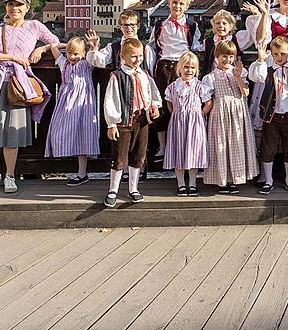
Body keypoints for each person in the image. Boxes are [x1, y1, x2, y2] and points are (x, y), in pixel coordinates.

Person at [0, 0, 59, 194]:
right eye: (10, 4)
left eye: (19, 5)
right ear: (6, 7)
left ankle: (10, 175)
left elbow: (56, 41)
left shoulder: (34, 26)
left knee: (12, 133)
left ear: (27, 8)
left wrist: (41, 49)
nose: (14, 8)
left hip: (19, 87)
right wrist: (14, 57)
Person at [102, 38, 162, 208]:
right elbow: (111, 100)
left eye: (140, 56)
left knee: (139, 155)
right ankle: (113, 190)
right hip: (123, 121)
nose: (138, 60)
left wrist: (155, 106)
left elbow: (152, 94)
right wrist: (112, 123)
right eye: (133, 56)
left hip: (141, 120)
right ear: (123, 56)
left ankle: (133, 188)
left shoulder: (144, 75)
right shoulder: (117, 76)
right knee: (119, 156)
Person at [248, 35, 288, 194]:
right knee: (268, 148)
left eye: (282, 53)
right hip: (272, 116)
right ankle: (268, 180)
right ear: (271, 53)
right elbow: (256, 76)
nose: (279, 57)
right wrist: (261, 60)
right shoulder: (267, 69)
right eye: (275, 54)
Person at [149, 0, 203, 156]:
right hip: (164, 67)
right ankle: (163, 146)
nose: (177, 6)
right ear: (169, 4)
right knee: (163, 106)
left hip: (183, 69)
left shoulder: (192, 26)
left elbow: (196, 47)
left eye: (181, 4)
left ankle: (183, 145)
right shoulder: (160, 25)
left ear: (186, 7)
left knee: (183, 107)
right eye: (174, 2)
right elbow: (151, 47)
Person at [202, 40, 258, 193]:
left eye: (230, 57)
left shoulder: (239, 72)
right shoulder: (210, 77)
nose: (227, 60)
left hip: (238, 113)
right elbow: (207, 100)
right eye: (224, 57)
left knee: (236, 144)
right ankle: (222, 180)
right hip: (220, 113)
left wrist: (239, 77)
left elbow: (245, 93)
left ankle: (235, 179)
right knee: (221, 145)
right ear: (217, 57)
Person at [45, 36, 100, 185]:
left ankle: (82, 173)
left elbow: (94, 55)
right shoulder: (64, 63)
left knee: (83, 135)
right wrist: (68, 45)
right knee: (58, 132)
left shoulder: (87, 64)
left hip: (83, 105)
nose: (72, 57)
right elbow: (52, 45)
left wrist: (91, 46)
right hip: (66, 105)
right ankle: (63, 157)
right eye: (69, 53)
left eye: (76, 54)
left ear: (83, 54)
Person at [164, 51, 212, 196]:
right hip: (178, 123)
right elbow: (169, 103)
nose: (189, 70)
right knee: (178, 151)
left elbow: (208, 103)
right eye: (186, 67)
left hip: (195, 124)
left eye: (192, 68)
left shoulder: (199, 86)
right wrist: (177, 114)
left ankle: (192, 183)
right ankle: (180, 184)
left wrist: (198, 115)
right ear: (179, 68)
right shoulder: (173, 86)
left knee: (193, 152)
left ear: (196, 69)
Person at [85, 10, 154, 72]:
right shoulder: (113, 47)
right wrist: (94, 48)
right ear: (120, 26)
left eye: (132, 25)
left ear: (138, 26)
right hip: (120, 82)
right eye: (125, 25)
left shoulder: (146, 49)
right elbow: (98, 61)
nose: (129, 28)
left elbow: (151, 72)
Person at [202, 9, 237, 75]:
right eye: (218, 23)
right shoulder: (208, 42)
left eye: (224, 23)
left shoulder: (236, 40)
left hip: (232, 75)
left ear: (230, 26)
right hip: (213, 76)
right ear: (213, 26)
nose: (221, 26)